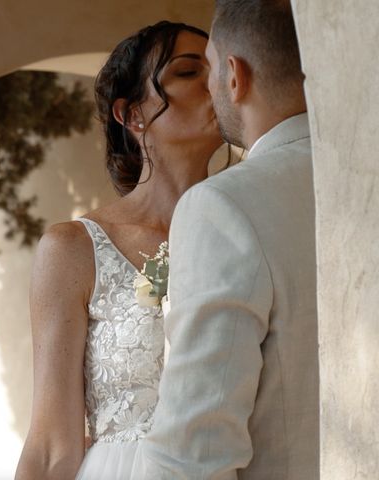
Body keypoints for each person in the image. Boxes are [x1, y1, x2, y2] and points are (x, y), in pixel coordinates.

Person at [14, 21, 224, 480]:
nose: (215, 81)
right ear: (131, 115)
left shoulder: (242, 234)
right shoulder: (73, 250)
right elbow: (52, 446)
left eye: (219, 67)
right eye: (189, 72)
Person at [131, 1, 318, 479]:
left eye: (207, 68)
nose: (205, 88)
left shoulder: (223, 208)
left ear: (234, 77)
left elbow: (193, 453)